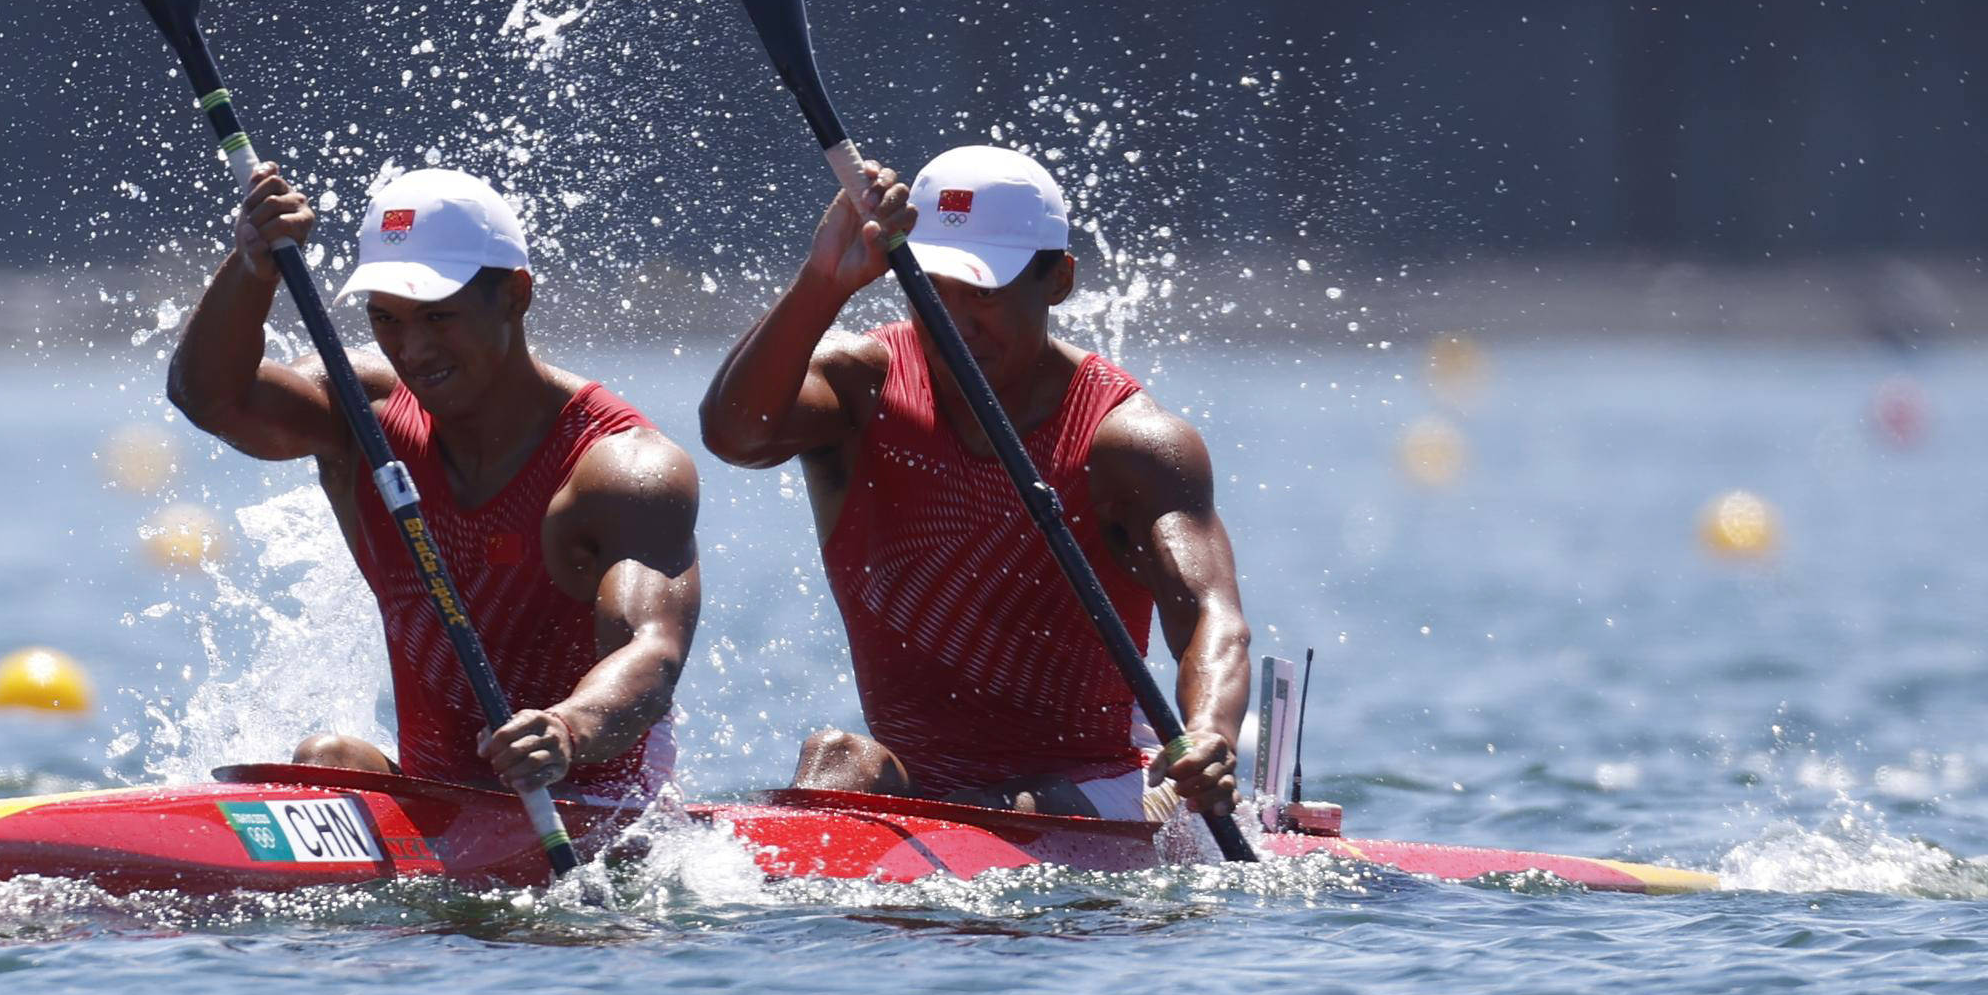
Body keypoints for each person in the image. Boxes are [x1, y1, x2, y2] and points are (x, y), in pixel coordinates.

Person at [697, 143, 1246, 823]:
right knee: (835, 758)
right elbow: (734, 436)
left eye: (982, 293)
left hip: (1096, 779)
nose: (953, 321)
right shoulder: (861, 385)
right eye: (933, 290)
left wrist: (1212, 734)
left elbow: (1210, 618)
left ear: (1059, 280)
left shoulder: (1131, 442)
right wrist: (822, 282)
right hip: (928, 776)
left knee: (1019, 805)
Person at [166, 164, 701, 800]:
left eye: (438, 317)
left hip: (593, 804)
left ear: (514, 296)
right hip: (443, 795)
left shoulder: (620, 468)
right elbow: (209, 398)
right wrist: (253, 268)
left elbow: (654, 650)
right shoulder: (360, 415)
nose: (412, 349)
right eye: (386, 319)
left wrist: (565, 728)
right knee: (326, 757)